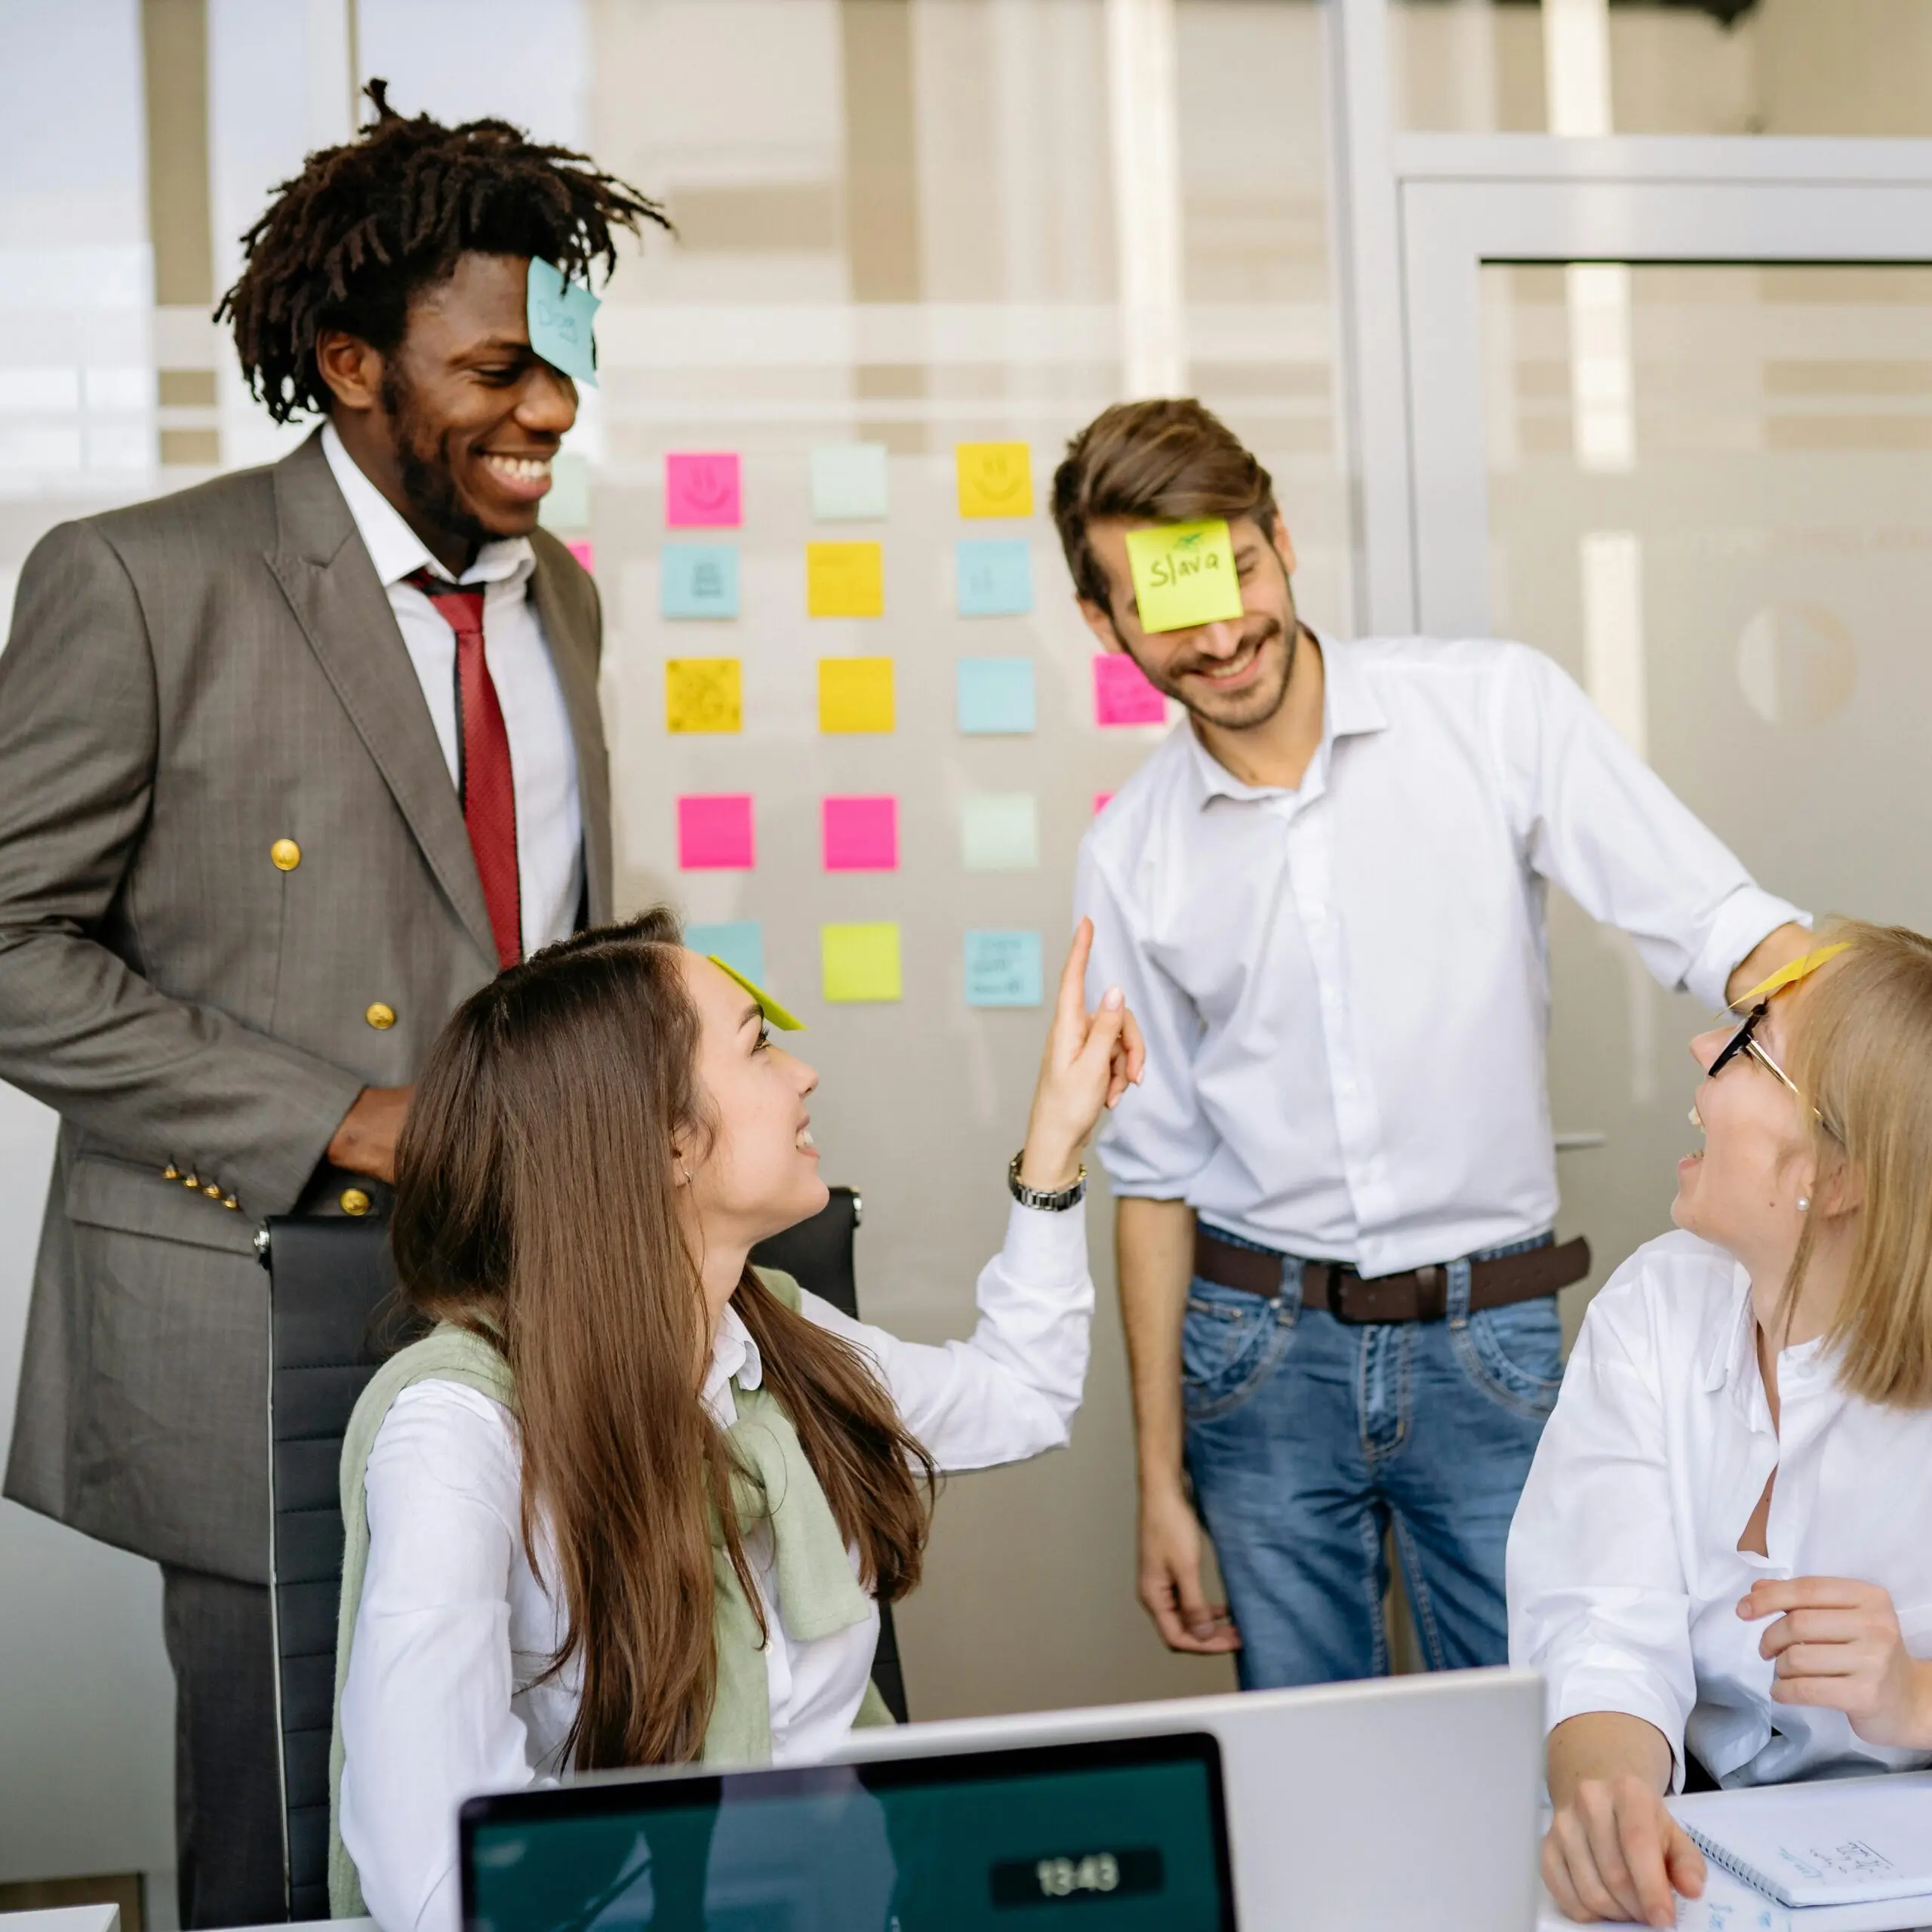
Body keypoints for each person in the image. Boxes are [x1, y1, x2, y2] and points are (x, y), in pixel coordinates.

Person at [0, 86, 664, 1927]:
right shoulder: (141, 582)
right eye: (498, 368)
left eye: (564, 361)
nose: (549, 408)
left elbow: (536, 944)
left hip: (540, 1304)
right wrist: (346, 1119)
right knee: (291, 1840)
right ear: (352, 362)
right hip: (259, 1312)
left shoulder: (567, 604)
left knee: (529, 1800)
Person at [1054, 397, 1814, 1690]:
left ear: (1281, 537)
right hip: (1258, 1351)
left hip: (1493, 1332)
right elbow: (1156, 1179)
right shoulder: (1131, 854)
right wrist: (1159, 1484)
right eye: (1167, 605)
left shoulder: (1491, 711)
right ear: (1105, 624)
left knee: (1550, 1735)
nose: (1223, 631)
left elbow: (1713, 922)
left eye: (1233, 570)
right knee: (1312, 1780)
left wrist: (1863, 1011)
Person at [330, 909, 1143, 1932]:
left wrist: (1056, 1145)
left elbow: (1023, 1396)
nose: (803, 1075)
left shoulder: (782, 1342)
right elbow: (441, 1883)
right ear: (667, 1140)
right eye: (759, 1045)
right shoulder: (460, 1434)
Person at [1512, 928, 1932, 1929]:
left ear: (1834, 1176)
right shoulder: (1654, 1306)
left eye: (1751, 1043)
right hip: (1714, 1863)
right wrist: (1609, 1797)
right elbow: (1603, 1628)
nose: (1705, 1048)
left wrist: (1915, 1697)